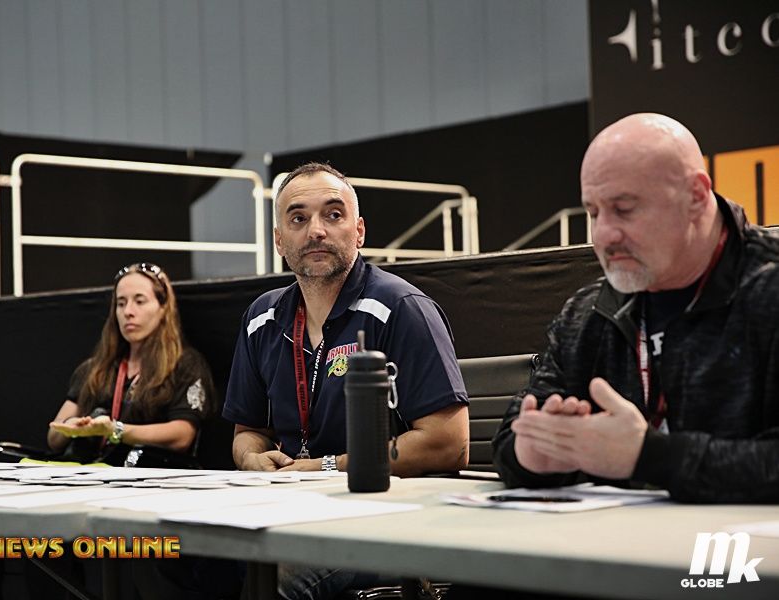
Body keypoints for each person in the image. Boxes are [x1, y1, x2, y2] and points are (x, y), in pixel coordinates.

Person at [492, 113, 779, 503]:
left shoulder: (767, 287)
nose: (603, 234)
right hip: (622, 538)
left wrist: (648, 457)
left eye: (624, 209)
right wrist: (532, 456)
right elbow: (514, 432)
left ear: (696, 195)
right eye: (593, 213)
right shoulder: (589, 311)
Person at [223, 162, 469, 599]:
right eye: (298, 218)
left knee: (277, 577)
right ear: (279, 240)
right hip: (292, 508)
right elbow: (248, 432)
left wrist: (325, 466)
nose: (316, 230)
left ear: (359, 232)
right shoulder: (262, 318)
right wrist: (252, 459)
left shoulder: (401, 307)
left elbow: (449, 443)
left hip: (388, 516)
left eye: (333, 215)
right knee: (182, 552)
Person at [48, 262, 215, 465]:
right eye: (121, 303)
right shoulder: (94, 368)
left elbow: (182, 435)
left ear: (163, 308)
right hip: (87, 473)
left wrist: (116, 430)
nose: (128, 311)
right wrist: (73, 427)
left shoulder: (185, 365)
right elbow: (53, 437)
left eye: (139, 301)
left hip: (146, 475)